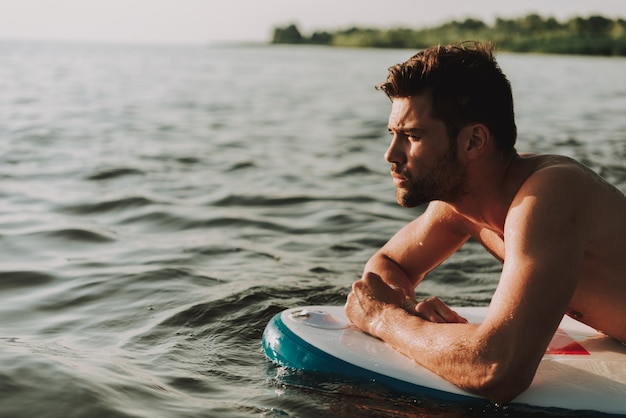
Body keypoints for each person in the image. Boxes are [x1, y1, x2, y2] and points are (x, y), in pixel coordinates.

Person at [344, 42, 626, 404]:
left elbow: (497, 369)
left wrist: (385, 319)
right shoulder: (460, 205)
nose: (391, 155)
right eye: (392, 135)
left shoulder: (548, 194)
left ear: (474, 141)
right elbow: (387, 266)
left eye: (412, 136)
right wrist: (410, 307)